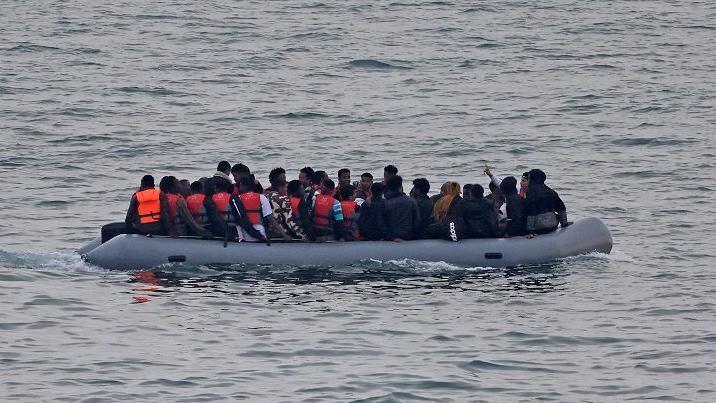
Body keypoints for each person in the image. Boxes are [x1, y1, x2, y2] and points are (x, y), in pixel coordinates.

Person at [230, 176, 290, 241]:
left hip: (244, 235)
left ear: (243, 186)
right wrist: (284, 235)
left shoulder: (238, 199)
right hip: (260, 232)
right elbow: (270, 218)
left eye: (240, 185)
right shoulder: (261, 197)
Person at [524, 169, 569, 236]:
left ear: (532, 179)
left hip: (539, 228)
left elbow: (531, 211)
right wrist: (564, 224)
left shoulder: (531, 192)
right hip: (553, 226)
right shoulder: (551, 191)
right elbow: (561, 208)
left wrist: (530, 231)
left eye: (529, 178)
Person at [264, 174, 305, 239]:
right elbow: (289, 220)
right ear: (281, 187)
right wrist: (302, 235)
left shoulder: (267, 196)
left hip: (270, 231)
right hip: (281, 233)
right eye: (286, 188)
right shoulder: (282, 199)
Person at [382, 175, 419, 241]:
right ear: (400, 187)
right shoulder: (411, 201)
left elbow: (382, 223)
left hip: (391, 236)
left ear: (388, 187)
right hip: (408, 235)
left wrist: (391, 238)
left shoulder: (385, 203)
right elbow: (416, 221)